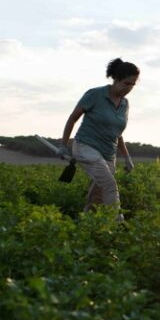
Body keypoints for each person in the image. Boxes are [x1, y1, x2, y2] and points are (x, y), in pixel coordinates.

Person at [58, 58, 139, 219]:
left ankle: (86, 224)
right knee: (109, 185)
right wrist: (63, 145)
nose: (129, 88)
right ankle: (117, 223)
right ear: (115, 79)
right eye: (126, 83)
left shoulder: (125, 104)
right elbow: (72, 118)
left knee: (98, 194)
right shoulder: (95, 95)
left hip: (108, 154)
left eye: (133, 85)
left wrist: (127, 158)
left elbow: (117, 132)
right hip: (85, 147)